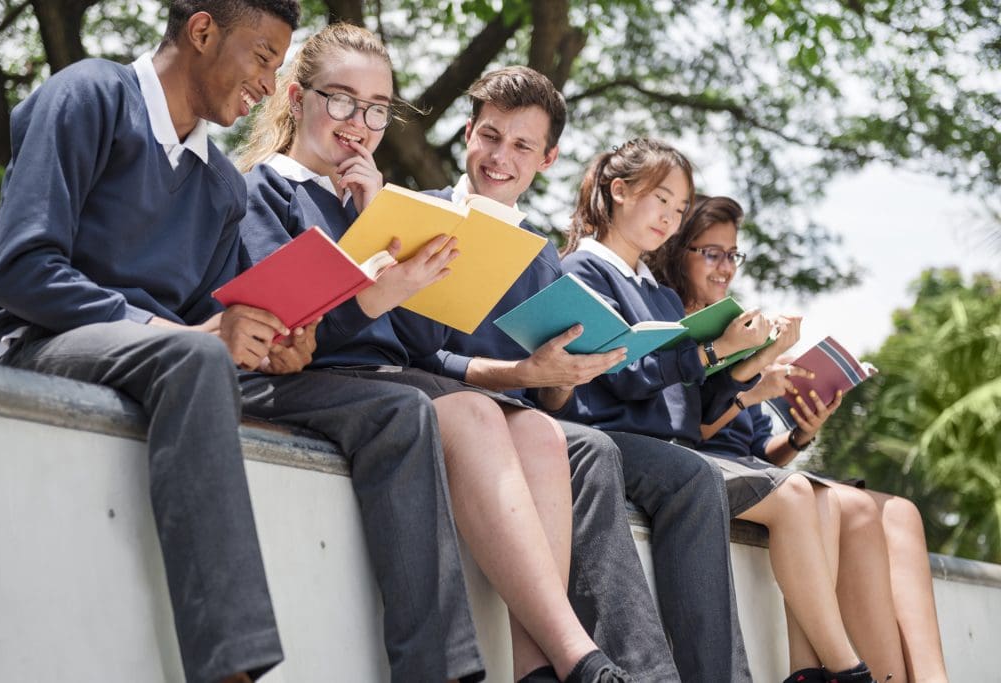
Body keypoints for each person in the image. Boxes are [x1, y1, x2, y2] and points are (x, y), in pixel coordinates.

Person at [235, 25, 628, 683]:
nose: (359, 123)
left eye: (377, 109)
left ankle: (536, 667)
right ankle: (576, 655)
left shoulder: (375, 202)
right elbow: (283, 335)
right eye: (341, 101)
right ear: (298, 98)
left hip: (390, 376)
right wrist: (372, 289)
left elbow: (421, 344)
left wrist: (377, 224)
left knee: (539, 432)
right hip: (318, 381)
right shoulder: (267, 190)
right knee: (476, 415)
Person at [0, 2, 302, 682]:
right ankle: (232, 670)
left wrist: (269, 344)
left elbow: (208, 326)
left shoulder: (220, 186)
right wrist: (185, 334)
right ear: (203, 30)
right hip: (30, 340)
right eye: (264, 59)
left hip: (152, 362)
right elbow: (20, 269)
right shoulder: (89, 94)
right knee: (193, 352)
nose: (268, 87)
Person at [398, 65, 753, 683]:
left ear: (548, 157)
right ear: (466, 133)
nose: (499, 157)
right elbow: (415, 353)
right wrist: (525, 374)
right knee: (588, 450)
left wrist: (563, 371)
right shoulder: (420, 214)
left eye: (522, 146)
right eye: (489, 136)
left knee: (572, 441)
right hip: (452, 405)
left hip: (528, 418)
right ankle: (633, 672)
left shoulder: (538, 255)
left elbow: (553, 390)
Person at [559, 138, 881, 683]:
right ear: (618, 192)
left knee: (793, 490)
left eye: (679, 208)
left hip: (674, 451)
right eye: (661, 199)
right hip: (616, 440)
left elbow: (698, 406)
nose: (670, 217)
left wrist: (745, 359)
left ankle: (820, 669)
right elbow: (621, 375)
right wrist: (713, 351)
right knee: (709, 478)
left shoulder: (658, 295)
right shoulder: (583, 272)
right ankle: (837, 669)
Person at [651, 195, 949, 683]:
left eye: (732, 254)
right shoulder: (683, 333)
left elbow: (764, 450)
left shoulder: (737, 326)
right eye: (712, 252)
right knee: (848, 506)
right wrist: (748, 386)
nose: (725, 266)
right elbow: (692, 427)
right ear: (678, 251)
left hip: (757, 471)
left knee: (900, 511)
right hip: (709, 471)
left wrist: (801, 431)